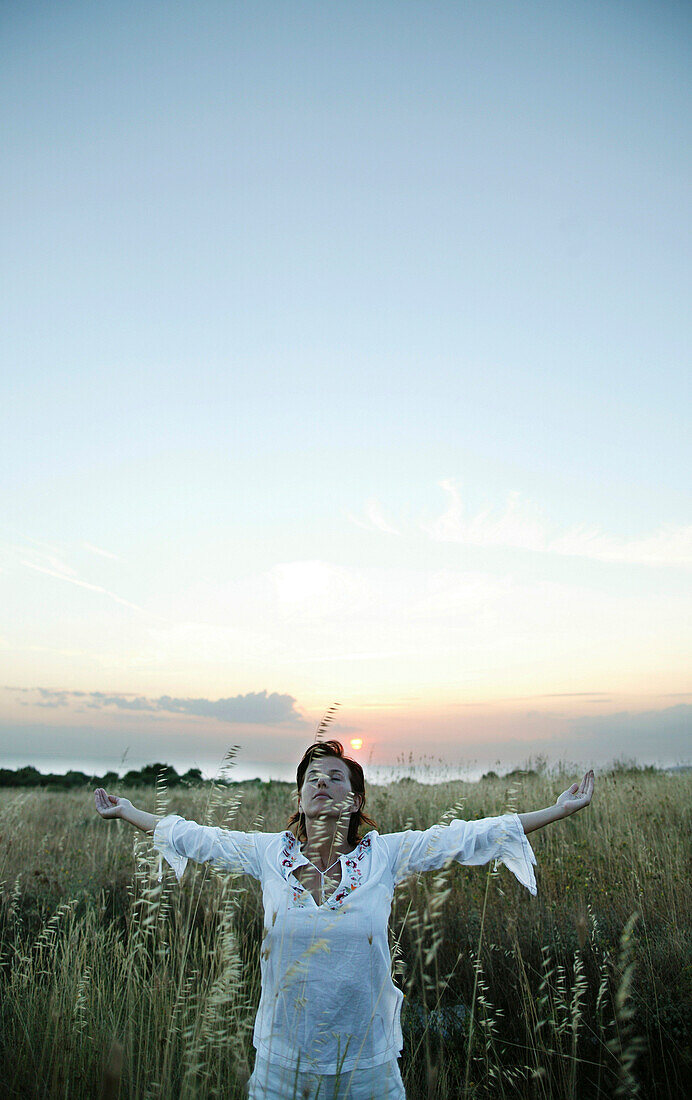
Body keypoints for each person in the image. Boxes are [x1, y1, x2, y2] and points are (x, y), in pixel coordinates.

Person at [94, 741, 595, 1100]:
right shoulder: (269, 854)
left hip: (367, 1064)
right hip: (280, 1061)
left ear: (354, 801)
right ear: (299, 799)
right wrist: (131, 811)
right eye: (311, 778)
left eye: (335, 777)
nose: (321, 784)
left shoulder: (384, 855)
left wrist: (556, 809)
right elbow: (196, 837)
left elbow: (463, 836)